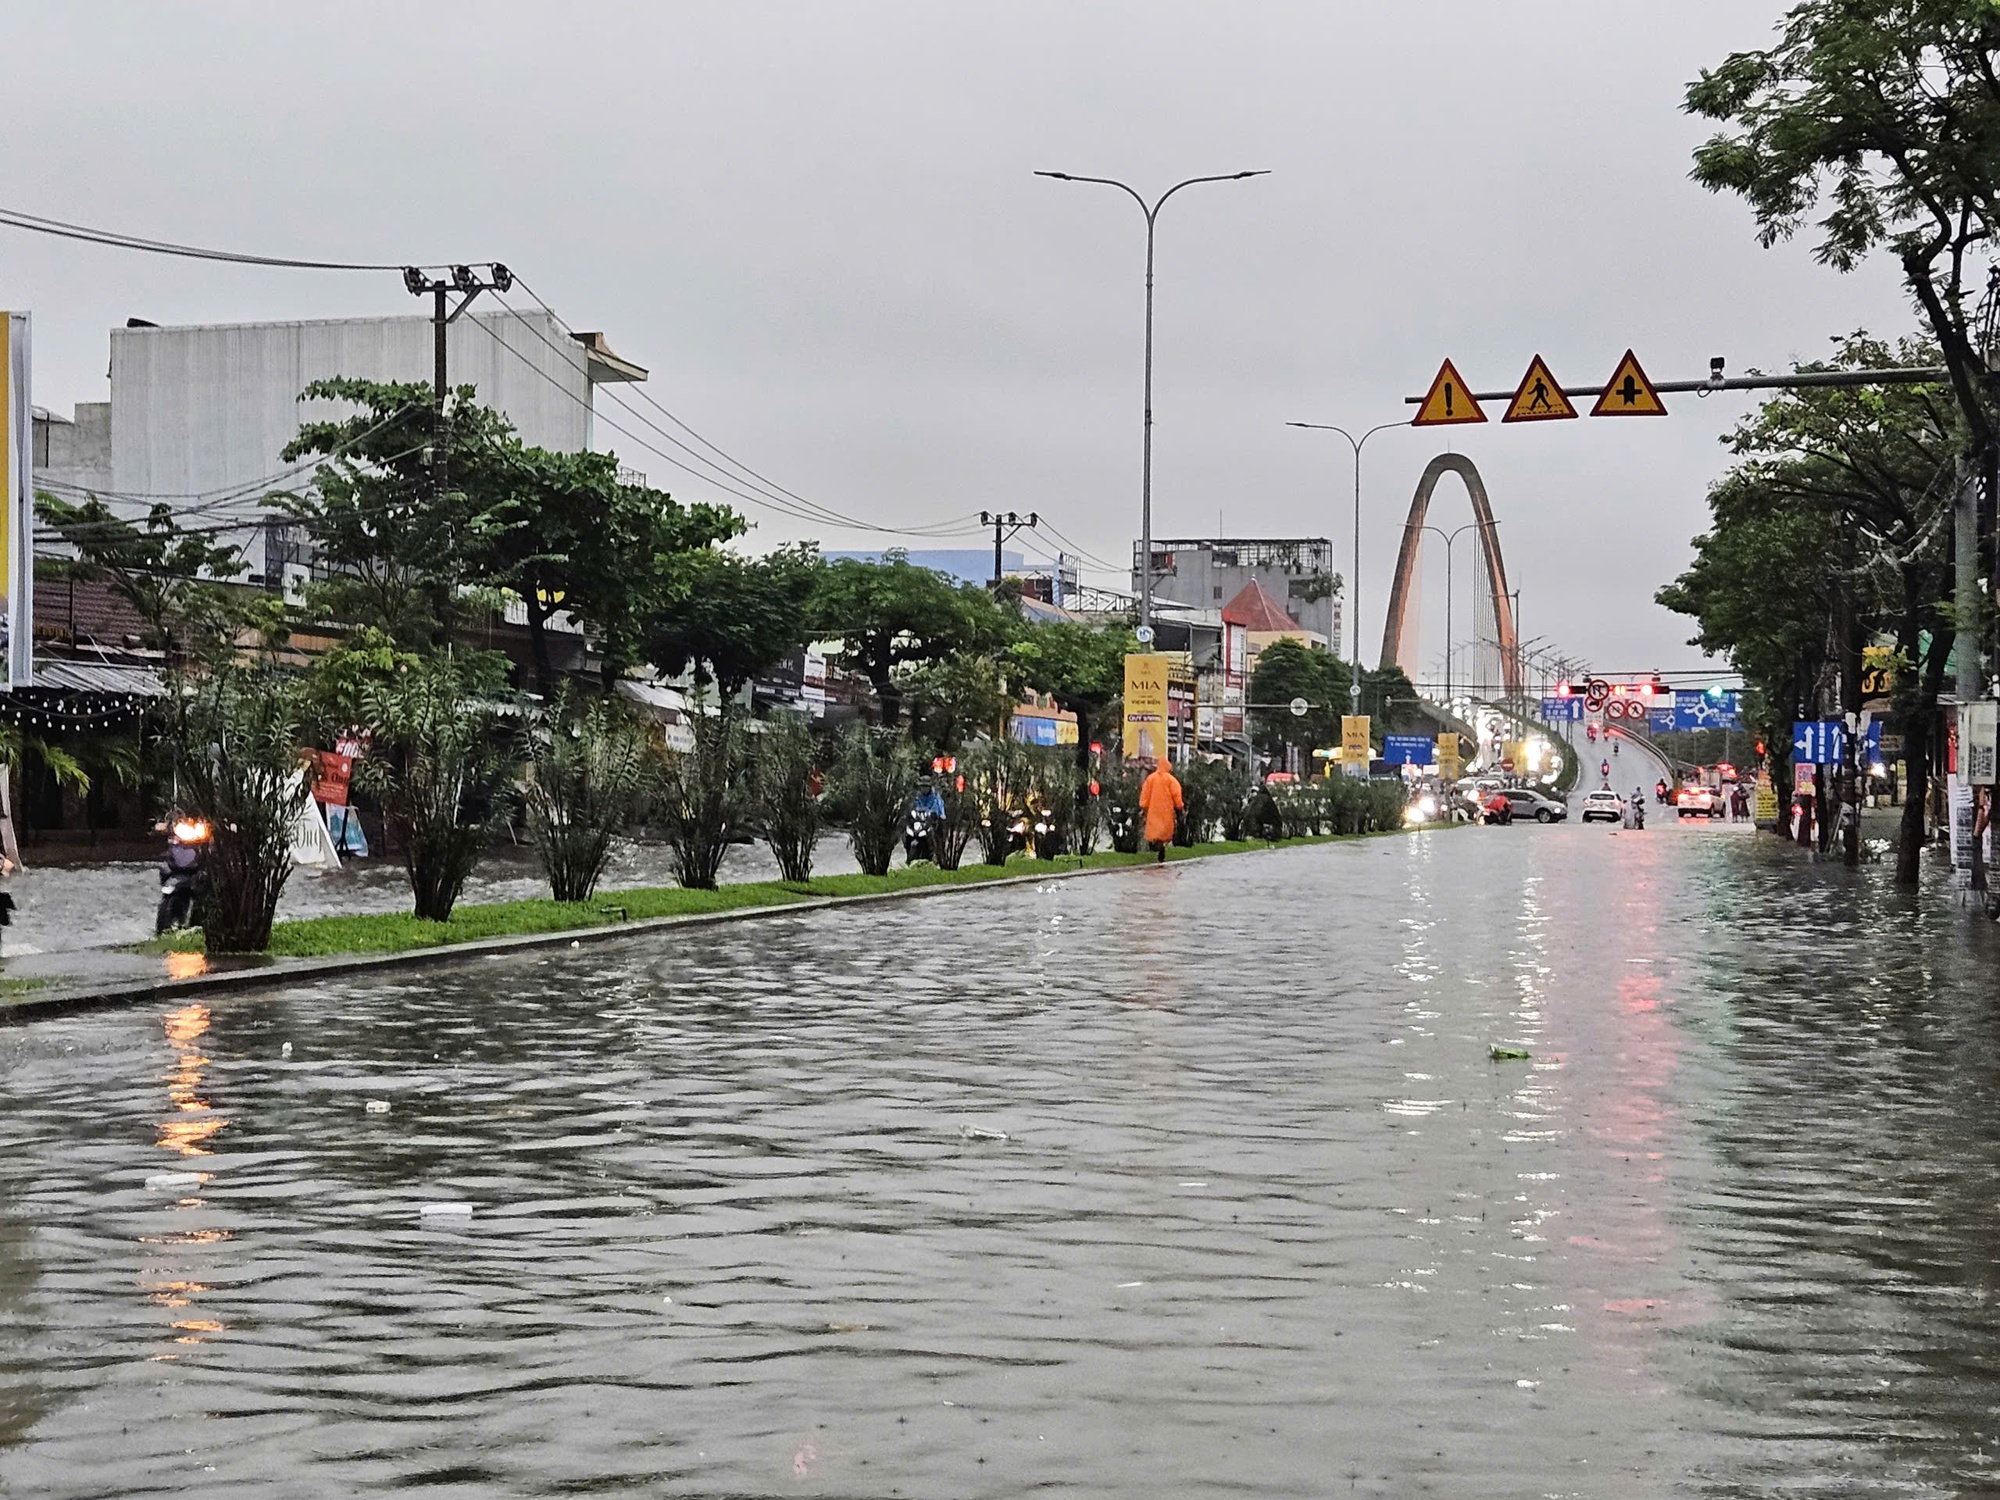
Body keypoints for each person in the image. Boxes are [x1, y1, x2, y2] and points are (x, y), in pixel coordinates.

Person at [1139, 757, 1184, 863]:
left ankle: (1155, 844)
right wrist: (1180, 807)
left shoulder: (1151, 779)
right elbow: (1176, 794)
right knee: (1164, 831)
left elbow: (1145, 793)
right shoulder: (1171, 780)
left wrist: (1143, 806)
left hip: (1153, 810)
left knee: (1154, 829)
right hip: (1166, 810)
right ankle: (1161, 846)